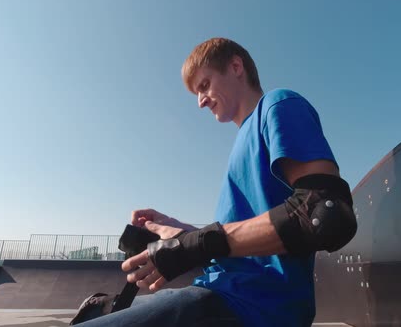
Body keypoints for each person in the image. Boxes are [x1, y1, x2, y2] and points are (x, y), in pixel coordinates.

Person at [78, 37, 356, 327]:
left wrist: (195, 244)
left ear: (236, 67)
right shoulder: (241, 143)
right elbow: (230, 245)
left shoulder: (278, 105)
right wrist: (181, 233)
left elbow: (324, 213)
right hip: (219, 293)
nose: (200, 102)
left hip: (256, 308)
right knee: (96, 310)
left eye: (204, 85)